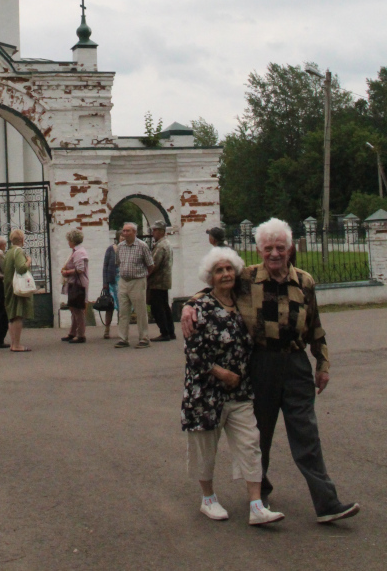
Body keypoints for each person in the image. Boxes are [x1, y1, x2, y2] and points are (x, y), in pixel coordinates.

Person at [181, 217, 359, 524]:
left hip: (295, 364)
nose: (274, 254)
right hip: (260, 364)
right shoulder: (246, 278)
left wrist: (323, 364)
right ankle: (258, 497)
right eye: (268, 248)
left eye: (280, 247)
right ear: (259, 250)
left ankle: (327, 503)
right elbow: (215, 287)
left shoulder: (304, 281)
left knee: (306, 434)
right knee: (259, 433)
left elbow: (315, 325)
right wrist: (189, 303)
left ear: (290, 249)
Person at [182, 247, 285, 526]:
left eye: (229, 269)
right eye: (219, 270)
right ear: (210, 277)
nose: (226, 274)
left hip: (240, 391)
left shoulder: (243, 301)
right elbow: (193, 352)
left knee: (251, 444)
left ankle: (256, 505)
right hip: (206, 393)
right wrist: (220, 373)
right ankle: (208, 500)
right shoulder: (200, 308)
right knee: (206, 448)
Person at [115, 221, 154, 348]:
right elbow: (118, 262)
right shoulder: (120, 246)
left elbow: (150, 265)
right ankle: (123, 338)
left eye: (128, 231)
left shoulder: (142, 246)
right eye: (124, 231)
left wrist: (143, 277)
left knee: (140, 310)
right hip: (123, 281)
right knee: (123, 311)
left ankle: (144, 338)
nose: (124, 233)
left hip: (137, 281)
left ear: (134, 232)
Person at [3, 229, 34, 352]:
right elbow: (21, 268)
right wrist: (29, 262)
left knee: (11, 316)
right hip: (18, 288)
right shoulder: (19, 251)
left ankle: (13, 343)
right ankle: (16, 344)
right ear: (22, 240)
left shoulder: (9, 252)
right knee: (18, 315)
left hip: (9, 285)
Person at [148, 220, 176, 342]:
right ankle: (170, 331)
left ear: (161, 231)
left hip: (157, 281)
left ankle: (164, 332)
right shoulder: (167, 244)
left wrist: (145, 275)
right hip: (164, 280)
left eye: (155, 230)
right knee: (164, 306)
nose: (153, 232)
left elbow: (153, 265)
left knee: (157, 307)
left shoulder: (160, 246)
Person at [61, 230, 89, 343]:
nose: (68, 242)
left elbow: (80, 269)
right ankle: (72, 332)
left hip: (78, 284)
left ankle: (81, 334)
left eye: (69, 240)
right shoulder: (76, 251)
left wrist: (66, 272)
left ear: (73, 241)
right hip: (74, 283)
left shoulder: (79, 253)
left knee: (78, 309)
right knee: (73, 308)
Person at [102, 231, 120, 339]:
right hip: (112, 282)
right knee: (110, 306)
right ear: (117, 237)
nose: (123, 237)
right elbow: (105, 266)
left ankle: (122, 330)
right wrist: (105, 283)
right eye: (121, 236)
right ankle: (107, 329)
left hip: (123, 282)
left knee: (122, 307)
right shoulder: (110, 249)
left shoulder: (127, 249)